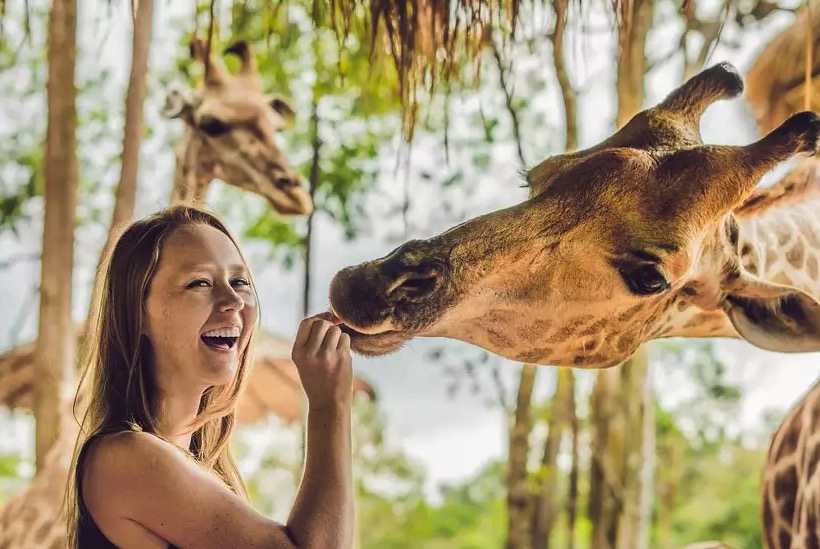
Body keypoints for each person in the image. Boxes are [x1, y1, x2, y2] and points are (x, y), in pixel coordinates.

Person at [64, 205, 354, 549]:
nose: (232, 300)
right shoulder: (123, 458)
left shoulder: (208, 473)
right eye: (199, 282)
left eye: (240, 281)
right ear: (137, 312)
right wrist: (328, 405)